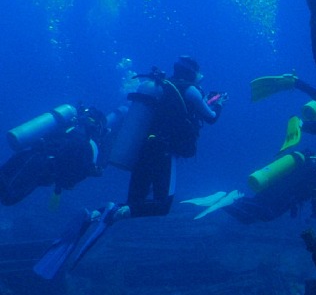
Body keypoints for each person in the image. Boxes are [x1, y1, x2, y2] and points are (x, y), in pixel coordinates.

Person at [34, 57, 226, 277]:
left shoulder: (161, 86)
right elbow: (210, 118)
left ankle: (97, 213)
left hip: (142, 150)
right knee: (162, 205)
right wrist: (218, 103)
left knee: (135, 202)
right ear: (192, 72)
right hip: (163, 152)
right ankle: (114, 212)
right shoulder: (191, 90)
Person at [0, 103, 111, 208]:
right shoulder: (89, 144)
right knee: (8, 197)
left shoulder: (72, 130)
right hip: (41, 167)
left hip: (30, 157)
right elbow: (69, 182)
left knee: (7, 194)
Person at [183, 149, 316, 225]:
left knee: (252, 213)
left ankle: (224, 200)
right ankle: (229, 199)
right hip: (282, 198)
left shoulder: (298, 166)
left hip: (269, 188)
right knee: (264, 215)